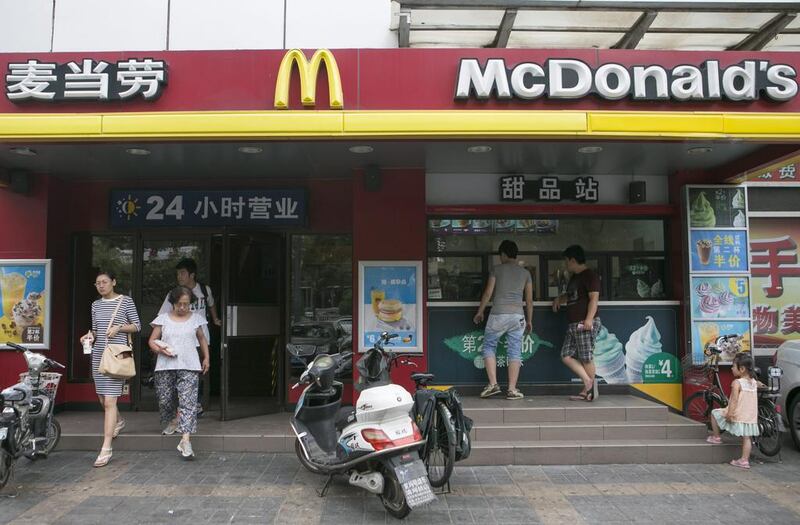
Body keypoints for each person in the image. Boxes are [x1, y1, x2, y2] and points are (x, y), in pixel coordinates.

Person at [79, 270, 141, 468]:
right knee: (102, 398)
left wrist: (119, 328)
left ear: (113, 282)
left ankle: (106, 448)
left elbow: (137, 326)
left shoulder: (126, 301)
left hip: (116, 355)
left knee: (109, 401)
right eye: (97, 283)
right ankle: (119, 421)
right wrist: (88, 337)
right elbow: (96, 330)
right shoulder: (95, 305)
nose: (101, 285)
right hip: (98, 354)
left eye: (104, 282)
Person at [149, 286, 211, 459]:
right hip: (165, 365)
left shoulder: (196, 320)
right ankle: (172, 420)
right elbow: (152, 340)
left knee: (188, 402)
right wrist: (161, 350)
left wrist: (206, 358)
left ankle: (185, 440)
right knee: (165, 399)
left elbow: (201, 339)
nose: (183, 308)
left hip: (190, 365)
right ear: (173, 303)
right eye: (179, 304)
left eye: (186, 304)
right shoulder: (163, 319)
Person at [158, 257, 220, 420]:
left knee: (197, 373)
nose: (179, 276)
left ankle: (195, 404)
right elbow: (162, 316)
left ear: (192, 275)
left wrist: (215, 319)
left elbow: (211, 304)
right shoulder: (174, 294)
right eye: (178, 273)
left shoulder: (204, 290)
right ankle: (183, 407)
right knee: (180, 373)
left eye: (182, 273)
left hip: (201, 339)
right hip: (179, 341)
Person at [473, 240, 533, 400]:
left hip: (498, 314)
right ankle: (512, 389)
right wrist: (529, 320)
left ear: (504, 254)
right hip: (518, 317)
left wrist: (480, 312)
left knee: (489, 346)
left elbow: (487, 293)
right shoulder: (525, 273)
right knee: (514, 351)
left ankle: (493, 384)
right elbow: (529, 301)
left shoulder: (496, 270)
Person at [553, 245, 601, 402]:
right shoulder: (574, 277)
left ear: (573, 260)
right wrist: (559, 299)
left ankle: (591, 390)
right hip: (573, 324)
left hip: (584, 323)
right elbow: (571, 295)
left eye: (566, 261)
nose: (565, 264)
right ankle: (588, 384)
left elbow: (594, 298)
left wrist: (588, 319)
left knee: (586, 357)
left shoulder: (590, 276)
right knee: (565, 355)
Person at [706, 352, 760, 469]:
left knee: (714, 413)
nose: (731, 368)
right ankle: (744, 460)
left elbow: (734, 400)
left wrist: (730, 413)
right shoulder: (754, 382)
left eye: (733, 366)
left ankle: (716, 437)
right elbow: (759, 385)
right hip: (750, 416)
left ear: (742, 369)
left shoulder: (737, 383)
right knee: (747, 438)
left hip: (737, 413)